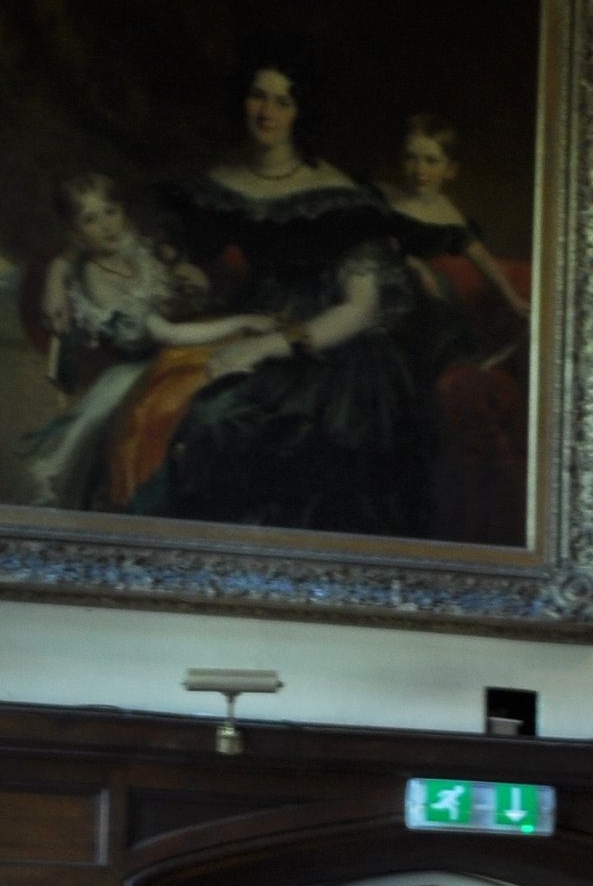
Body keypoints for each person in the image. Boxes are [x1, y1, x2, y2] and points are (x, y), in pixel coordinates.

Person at [128, 49, 443, 534]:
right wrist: (184, 276)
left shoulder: (338, 199)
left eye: (283, 101)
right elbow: (184, 259)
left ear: (301, 113)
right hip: (249, 322)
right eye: (258, 95)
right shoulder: (216, 184)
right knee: (150, 400)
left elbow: (362, 307)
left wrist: (268, 345)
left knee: (220, 419)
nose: (267, 112)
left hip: (325, 352)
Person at [16, 174, 268, 508]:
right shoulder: (97, 279)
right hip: (143, 369)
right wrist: (243, 320)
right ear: (75, 233)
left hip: (176, 350)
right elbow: (168, 333)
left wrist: (181, 270)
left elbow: (158, 265)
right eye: (91, 219)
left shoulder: (127, 248)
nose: (108, 226)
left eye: (111, 211)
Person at [384, 116, 533, 541]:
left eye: (431, 160)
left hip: (421, 311)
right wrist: (408, 262)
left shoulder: (448, 217)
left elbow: (485, 262)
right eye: (412, 158)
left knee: (435, 308)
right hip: (384, 299)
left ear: (450, 170)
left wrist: (513, 300)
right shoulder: (383, 200)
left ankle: (469, 358)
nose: (419, 169)